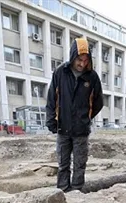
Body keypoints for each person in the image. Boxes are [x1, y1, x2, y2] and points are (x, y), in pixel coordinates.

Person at [46, 37, 103, 192]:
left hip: (81, 131)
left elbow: (99, 102)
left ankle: (77, 190)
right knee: (63, 163)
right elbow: (52, 98)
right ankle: (63, 190)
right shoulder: (60, 72)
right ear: (72, 57)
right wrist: (51, 120)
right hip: (63, 128)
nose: (82, 64)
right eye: (79, 59)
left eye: (85, 60)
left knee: (79, 163)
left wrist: (85, 118)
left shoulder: (92, 77)